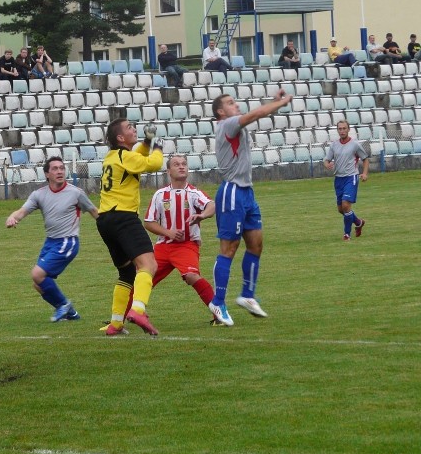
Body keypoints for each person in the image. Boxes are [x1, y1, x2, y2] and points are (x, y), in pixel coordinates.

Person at [209, 89, 292, 326]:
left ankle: (247, 295)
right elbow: (256, 115)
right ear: (220, 112)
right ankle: (218, 301)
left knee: (256, 245)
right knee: (229, 248)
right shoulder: (227, 124)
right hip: (232, 192)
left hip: (246, 192)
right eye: (230, 103)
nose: (236, 105)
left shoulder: (233, 125)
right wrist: (282, 103)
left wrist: (275, 102)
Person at [5, 157, 98, 322]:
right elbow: (21, 211)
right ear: (47, 174)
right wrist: (13, 218)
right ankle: (72, 314)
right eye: (55, 169)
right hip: (50, 242)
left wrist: (112, 228)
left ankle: (63, 304)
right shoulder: (39, 195)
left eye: (62, 168)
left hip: (67, 241)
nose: (60, 171)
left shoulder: (75, 193)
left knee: (37, 274)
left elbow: (94, 211)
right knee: (38, 284)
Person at [96, 119, 163, 336]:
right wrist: (158, 147)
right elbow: (154, 163)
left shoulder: (112, 157)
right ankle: (138, 311)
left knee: (126, 272)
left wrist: (146, 141)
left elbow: (138, 155)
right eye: (129, 128)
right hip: (124, 217)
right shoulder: (126, 157)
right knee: (149, 265)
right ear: (120, 138)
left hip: (105, 219)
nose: (133, 128)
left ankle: (116, 323)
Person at [143, 155, 221, 326]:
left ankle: (219, 314)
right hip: (163, 247)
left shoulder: (193, 193)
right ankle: (123, 317)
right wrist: (168, 232)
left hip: (186, 245)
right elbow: (148, 222)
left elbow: (212, 205)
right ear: (168, 171)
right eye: (176, 164)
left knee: (192, 276)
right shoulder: (160, 194)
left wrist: (202, 215)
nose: (181, 167)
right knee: (143, 277)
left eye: (184, 164)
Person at [323, 120, 369, 241]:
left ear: (348, 129)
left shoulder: (354, 144)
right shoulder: (334, 145)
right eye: (340, 129)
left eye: (344, 128)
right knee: (341, 209)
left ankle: (346, 234)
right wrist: (327, 164)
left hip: (351, 177)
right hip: (339, 179)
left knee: (345, 204)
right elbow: (326, 159)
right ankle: (358, 222)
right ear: (337, 130)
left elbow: (365, 159)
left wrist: (364, 173)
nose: (342, 131)